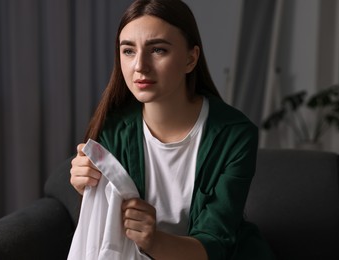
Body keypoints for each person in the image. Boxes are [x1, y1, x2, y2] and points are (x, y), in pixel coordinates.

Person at [70, 0, 275, 259]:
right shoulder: (112, 129)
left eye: (157, 50)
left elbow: (216, 243)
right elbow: (103, 227)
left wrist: (153, 240)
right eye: (128, 51)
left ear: (190, 59)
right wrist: (87, 187)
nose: (139, 66)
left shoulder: (235, 134)